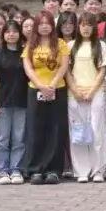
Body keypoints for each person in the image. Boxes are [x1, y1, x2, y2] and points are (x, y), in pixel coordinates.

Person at [21, 11, 70, 185]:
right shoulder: (30, 44)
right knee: (36, 130)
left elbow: (63, 66)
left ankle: (53, 170)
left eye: (47, 23)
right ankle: (35, 170)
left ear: (52, 26)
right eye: (40, 23)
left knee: (55, 130)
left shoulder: (61, 43)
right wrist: (40, 85)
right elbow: (28, 68)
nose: (44, 26)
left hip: (57, 90)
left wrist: (52, 85)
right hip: (35, 90)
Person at [65, 13, 106, 182]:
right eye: (82, 24)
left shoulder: (101, 45)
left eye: (89, 25)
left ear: (94, 28)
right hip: (75, 93)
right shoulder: (70, 46)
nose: (85, 28)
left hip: (96, 92)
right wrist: (75, 90)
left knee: (97, 130)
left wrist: (91, 91)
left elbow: (102, 71)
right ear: (78, 27)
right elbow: (67, 71)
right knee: (78, 132)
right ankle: (81, 171)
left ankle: (98, 169)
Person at [0, 21, 28, 185]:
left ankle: (16, 169)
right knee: (1, 139)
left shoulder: (26, 53)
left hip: (22, 101)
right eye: (8, 32)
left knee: (19, 138)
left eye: (14, 31)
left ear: (19, 34)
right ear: (3, 34)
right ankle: (2, 170)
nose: (11, 34)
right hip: (2, 101)